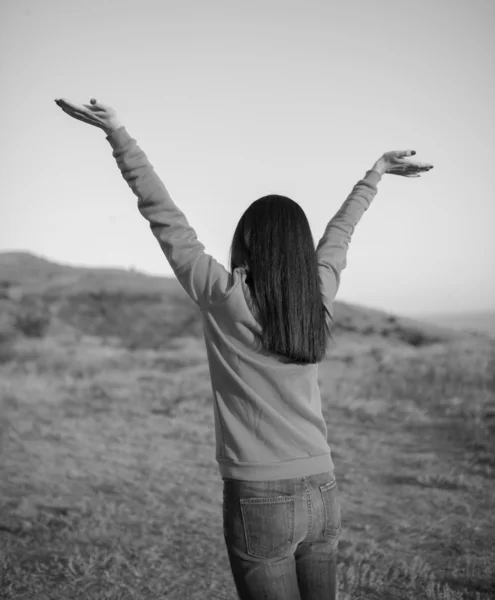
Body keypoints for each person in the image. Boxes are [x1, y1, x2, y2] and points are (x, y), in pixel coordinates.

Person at [55, 97, 434, 600]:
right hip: (323, 486)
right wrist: (376, 173)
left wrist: (118, 134)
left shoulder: (225, 296)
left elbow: (165, 218)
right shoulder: (316, 296)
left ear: (247, 242)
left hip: (259, 495)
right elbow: (340, 234)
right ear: (299, 247)